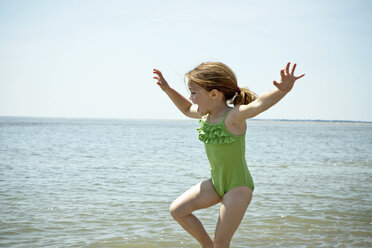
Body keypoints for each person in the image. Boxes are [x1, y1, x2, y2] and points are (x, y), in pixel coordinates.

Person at [153, 62, 305, 248]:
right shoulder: (204, 114)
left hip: (238, 187)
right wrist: (167, 89)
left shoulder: (233, 117)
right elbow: (185, 109)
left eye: (194, 92)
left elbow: (258, 105)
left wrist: (282, 91)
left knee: (222, 242)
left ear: (214, 94)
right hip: (216, 183)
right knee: (178, 210)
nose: (190, 98)